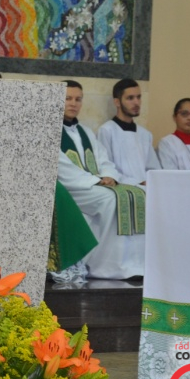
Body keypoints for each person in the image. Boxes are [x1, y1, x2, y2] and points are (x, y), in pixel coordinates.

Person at [57, 81, 145, 281]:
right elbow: (61, 167)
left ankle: (133, 263)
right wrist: (94, 181)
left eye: (78, 99)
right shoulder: (51, 132)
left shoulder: (86, 131)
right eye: (68, 98)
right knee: (110, 200)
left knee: (138, 195)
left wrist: (109, 176)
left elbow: (103, 159)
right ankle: (102, 264)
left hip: (92, 185)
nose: (73, 103)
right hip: (72, 188)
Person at [96, 78, 160, 186]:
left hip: (147, 190)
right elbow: (106, 167)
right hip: (122, 189)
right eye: (130, 98)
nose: (136, 102)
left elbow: (153, 169)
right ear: (117, 102)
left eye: (138, 97)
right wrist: (137, 182)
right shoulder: (106, 131)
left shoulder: (145, 134)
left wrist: (149, 182)